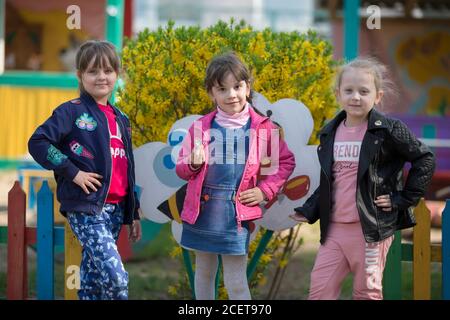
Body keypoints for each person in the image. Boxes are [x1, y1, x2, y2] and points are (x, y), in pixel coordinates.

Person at [290, 57, 435, 300]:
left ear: (377, 96)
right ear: (338, 94)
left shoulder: (388, 130)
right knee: (319, 291)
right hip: (334, 229)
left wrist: (403, 198)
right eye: (349, 90)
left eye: (363, 91)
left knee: (366, 292)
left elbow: (425, 159)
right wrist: (309, 208)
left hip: (370, 229)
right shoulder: (329, 132)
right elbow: (332, 180)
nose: (355, 97)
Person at [176, 52, 295, 300]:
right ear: (211, 93)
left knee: (236, 281)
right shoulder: (200, 127)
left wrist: (265, 191)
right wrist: (193, 163)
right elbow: (182, 169)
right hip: (202, 212)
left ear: (247, 87)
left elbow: (285, 162)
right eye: (222, 88)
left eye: (237, 87)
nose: (231, 94)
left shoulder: (263, 128)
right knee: (205, 273)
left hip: (236, 215)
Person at [28, 40, 142, 300]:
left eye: (107, 71)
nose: (101, 77)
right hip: (87, 207)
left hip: (115, 211)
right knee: (116, 279)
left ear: (117, 73)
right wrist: (73, 172)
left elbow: (127, 167)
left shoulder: (121, 119)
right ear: (80, 75)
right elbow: (38, 142)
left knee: (93, 284)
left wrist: (132, 212)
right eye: (93, 71)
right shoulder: (71, 112)